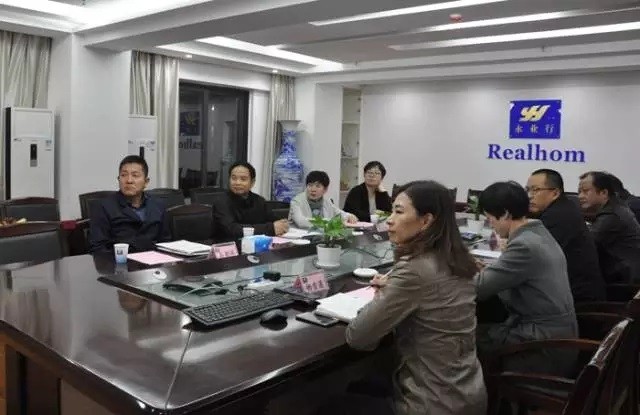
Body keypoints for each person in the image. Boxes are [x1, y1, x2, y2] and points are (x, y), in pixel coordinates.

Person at [344, 181, 487, 415]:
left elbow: (358, 337)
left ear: (426, 220)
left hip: (430, 403)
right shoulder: (460, 260)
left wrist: (384, 294)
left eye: (399, 212)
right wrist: (396, 288)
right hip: (468, 393)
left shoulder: (414, 269)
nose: (389, 220)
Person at [475, 181, 577, 375]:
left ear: (505, 214)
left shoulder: (524, 246)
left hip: (542, 344)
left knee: (461, 336)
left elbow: (478, 288)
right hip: (556, 333)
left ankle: (483, 391)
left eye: (490, 218)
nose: (491, 225)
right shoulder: (538, 232)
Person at [526, 169, 604, 302]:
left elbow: (532, 257)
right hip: (570, 290)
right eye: (527, 190)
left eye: (535, 190)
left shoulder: (557, 216)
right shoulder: (563, 207)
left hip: (578, 299)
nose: (529, 196)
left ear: (555, 193)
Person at [89, 155, 171, 253]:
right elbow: (98, 248)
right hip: (119, 260)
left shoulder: (158, 205)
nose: (129, 181)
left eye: (135, 175)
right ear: (118, 179)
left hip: (154, 260)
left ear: (146, 182)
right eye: (124, 175)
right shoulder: (103, 207)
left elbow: (166, 243)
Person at [578, 171, 640, 283]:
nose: (580, 196)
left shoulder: (612, 216)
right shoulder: (616, 207)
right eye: (579, 192)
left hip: (624, 281)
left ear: (604, 193)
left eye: (585, 191)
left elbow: (585, 243)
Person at [213, 161, 289, 240]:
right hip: (227, 245)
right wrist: (270, 229)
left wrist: (282, 225)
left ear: (252, 182)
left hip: (257, 244)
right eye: (234, 178)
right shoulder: (221, 202)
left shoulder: (259, 201)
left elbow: (274, 221)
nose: (237, 183)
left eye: (243, 179)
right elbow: (233, 229)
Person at [289, 170, 358, 229]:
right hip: (300, 237)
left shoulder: (326, 201)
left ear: (325, 189)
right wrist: (326, 223)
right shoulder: (297, 201)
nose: (313, 189)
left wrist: (349, 216)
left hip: (321, 236)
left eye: (318, 186)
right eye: (310, 185)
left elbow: (339, 213)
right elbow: (301, 221)